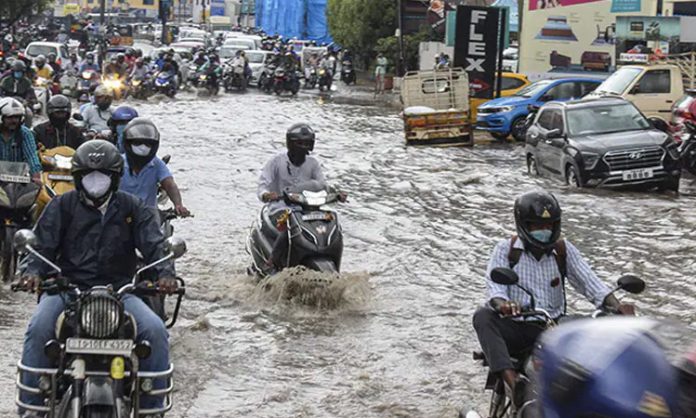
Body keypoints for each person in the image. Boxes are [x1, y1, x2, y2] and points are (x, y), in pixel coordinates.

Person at [16, 139, 177, 415]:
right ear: (77, 178)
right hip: (68, 289)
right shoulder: (61, 206)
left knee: (156, 330)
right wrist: (31, 273)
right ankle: (31, 407)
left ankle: (152, 408)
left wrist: (165, 274)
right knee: (39, 327)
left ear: (114, 179)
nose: (95, 182)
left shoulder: (133, 207)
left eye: (102, 176)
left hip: (121, 291)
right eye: (88, 176)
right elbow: (40, 246)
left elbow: (155, 245)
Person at [472, 189, 635, 408]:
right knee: (483, 316)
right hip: (520, 327)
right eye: (537, 226)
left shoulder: (563, 250)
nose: (544, 231)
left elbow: (592, 284)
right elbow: (496, 289)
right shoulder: (506, 250)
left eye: (548, 226)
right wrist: (504, 305)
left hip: (555, 329)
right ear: (524, 225)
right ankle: (513, 382)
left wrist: (617, 306)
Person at [257, 123, 344, 269]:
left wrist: (336, 194)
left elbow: (322, 185)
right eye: (300, 143)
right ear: (290, 143)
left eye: (307, 143)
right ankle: (272, 260)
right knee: (290, 223)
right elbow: (262, 185)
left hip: (308, 208)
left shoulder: (313, 164)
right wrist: (266, 195)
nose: (303, 146)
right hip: (281, 208)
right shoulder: (276, 162)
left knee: (332, 222)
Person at [119, 118, 190, 217]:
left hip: (148, 217)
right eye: (137, 143)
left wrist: (178, 205)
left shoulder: (156, 163)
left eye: (147, 144)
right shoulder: (117, 163)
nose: (142, 147)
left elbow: (169, 184)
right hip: (120, 215)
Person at [0, 98, 42, 184]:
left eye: (17, 117)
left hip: (19, 181)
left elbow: (31, 156)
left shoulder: (25, 133)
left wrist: (36, 175)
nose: (14, 121)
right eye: (10, 117)